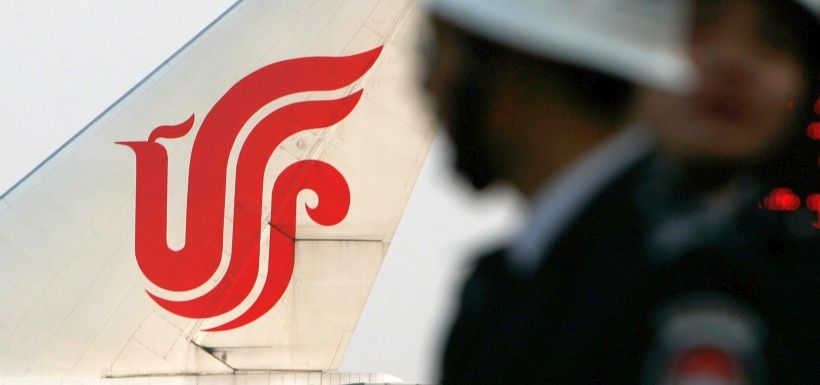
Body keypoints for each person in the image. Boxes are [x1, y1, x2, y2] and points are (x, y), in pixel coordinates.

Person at [427, 0, 819, 384]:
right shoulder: (514, 280)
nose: (734, 63)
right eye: (699, 25)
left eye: (777, 42)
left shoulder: (731, 279)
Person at [420, 0, 695, 383]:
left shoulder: (680, 283)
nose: (428, 84)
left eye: (436, 51)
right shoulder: (511, 282)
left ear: (512, 70)